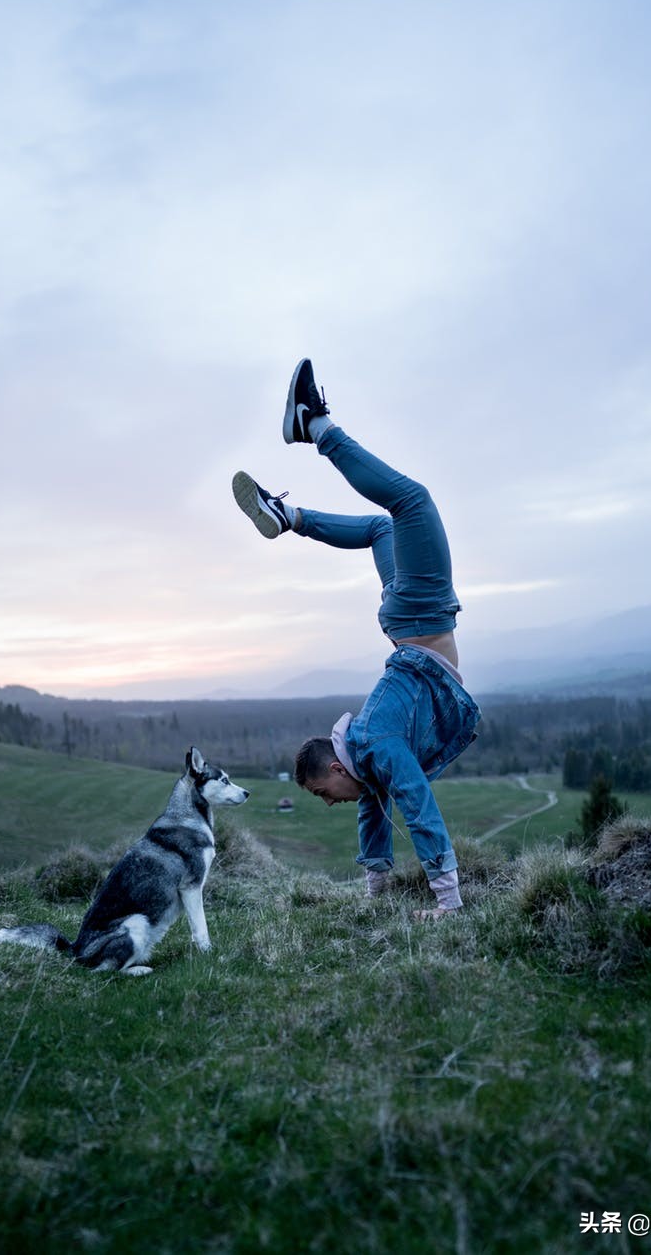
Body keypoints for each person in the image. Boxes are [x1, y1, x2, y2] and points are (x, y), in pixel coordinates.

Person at [232, 358, 481, 917]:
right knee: (384, 527)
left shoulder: (374, 745)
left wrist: (448, 901)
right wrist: (375, 890)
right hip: (405, 625)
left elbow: (415, 802)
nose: (328, 803)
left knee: (410, 502)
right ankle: (287, 513)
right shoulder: (365, 762)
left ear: (338, 768)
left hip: (418, 618)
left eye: (323, 792)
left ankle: (314, 424)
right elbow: (379, 808)